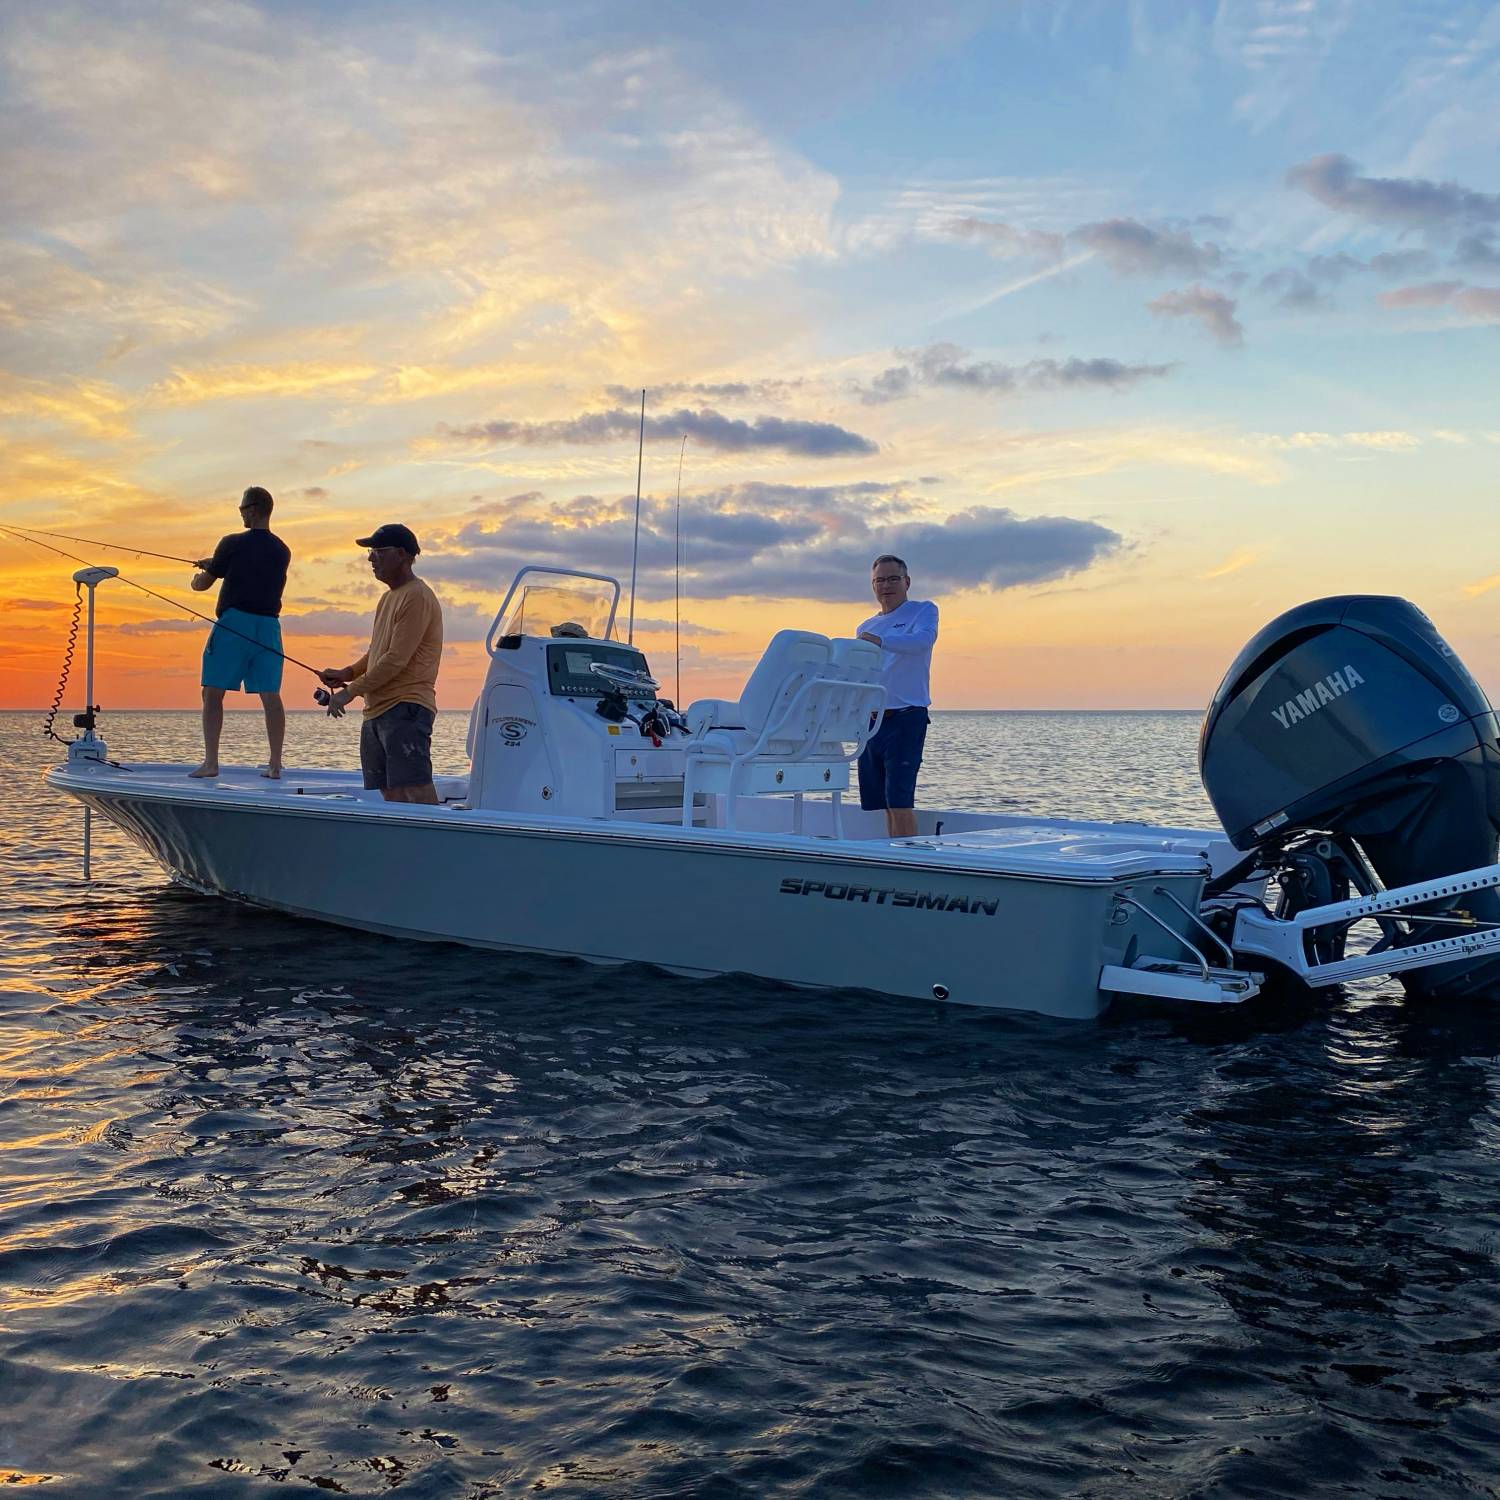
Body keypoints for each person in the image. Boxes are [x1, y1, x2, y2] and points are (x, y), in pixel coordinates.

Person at [319, 524, 444, 805]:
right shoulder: (388, 598)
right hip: (376, 710)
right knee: (390, 792)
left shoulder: (417, 596)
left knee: (416, 789)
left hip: (406, 707)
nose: (370, 559)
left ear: (401, 554)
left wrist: (349, 692)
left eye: (378, 551)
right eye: (370, 552)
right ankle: (404, 847)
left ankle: (433, 846)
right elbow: (378, 652)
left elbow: (396, 660)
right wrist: (347, 673)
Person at [189, 485, 291, 779]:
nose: (241, 513)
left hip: (235, 623)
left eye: (242, 508)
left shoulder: (231, 542)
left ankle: (211, 763)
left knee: (212, 692)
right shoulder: (282, 549)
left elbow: (204, 584)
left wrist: (200, 576)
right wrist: (220, 564)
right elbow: (250, 569)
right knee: (271, 695)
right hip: (269, 627)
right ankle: (275, 764)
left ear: (253, 509)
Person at [855, 553, 938, 838]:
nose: (886, 585)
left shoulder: (922, 610)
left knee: (900, 801)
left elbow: (922, 641)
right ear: (873, 585)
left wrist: (881, 641)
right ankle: (891, 855)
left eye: (892, 579)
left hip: (906, 718)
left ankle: (907, 863)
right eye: (879, 580)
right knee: (880, 803)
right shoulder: (864, 627)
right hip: (871, 722)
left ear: (907, 581)